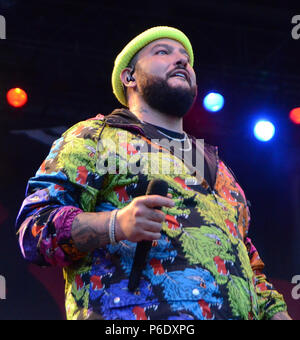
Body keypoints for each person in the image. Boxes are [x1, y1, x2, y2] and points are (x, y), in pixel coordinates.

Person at [16, 26, 291, 320]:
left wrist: (276, 313)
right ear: (129, 77)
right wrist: (115, 224)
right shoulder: (95, 137)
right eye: (163, 52)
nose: (182, 60)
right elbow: (34, 231)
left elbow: (248, 264)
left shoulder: (221, 171)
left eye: (186, 57)